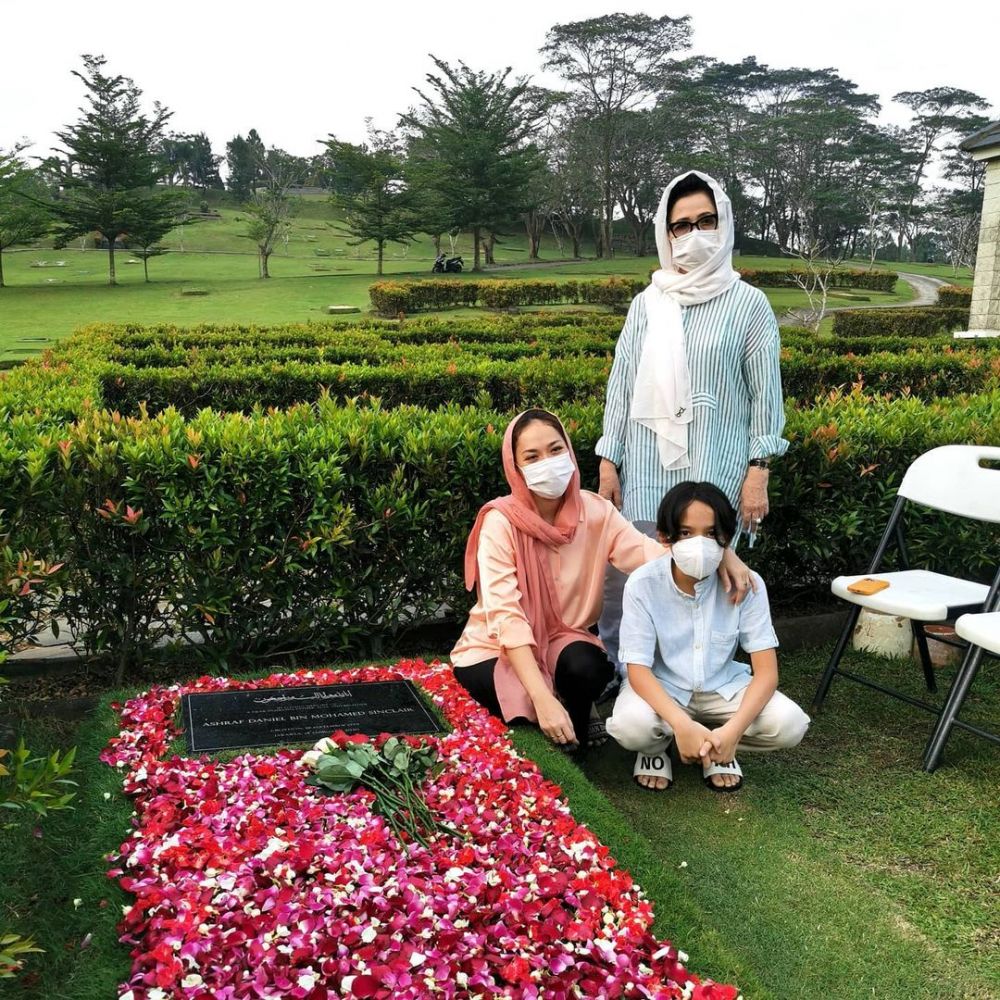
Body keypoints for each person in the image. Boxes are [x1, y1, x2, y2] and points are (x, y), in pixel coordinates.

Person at [451, 409, 751, 752]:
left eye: (555, 450)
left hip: (563, 639)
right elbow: (507, 617)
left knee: (587, 669)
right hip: (494, 647)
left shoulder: (595, 511)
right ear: (515, 468)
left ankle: (575, 719)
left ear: (569, 452)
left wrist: (718, 550)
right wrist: (541, 697)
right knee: (518, 697)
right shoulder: (500, 523)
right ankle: (553, 713)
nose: (547, 462)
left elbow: (649, 554)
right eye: (532, 457)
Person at [597, 170, 789, 676]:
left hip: (717, 469)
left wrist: (758, 471)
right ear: (666, 233)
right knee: (633, 577)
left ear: (724, 224)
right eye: (681, 226)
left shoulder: (749, 305)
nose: (693, 234)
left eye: (705, 221)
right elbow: (620, 385)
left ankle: (699, 680)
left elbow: (765, 396)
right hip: (646, 467)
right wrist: (608, 460)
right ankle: (625, 679)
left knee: (706, 577)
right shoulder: (647, 304)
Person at [605, 481, 809, 791]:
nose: (699, 544)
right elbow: (638, 671)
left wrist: (732, 733)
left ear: (727, 539)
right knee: (630, 727)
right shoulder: (643, 584)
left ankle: (715, 747)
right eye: (686, 533)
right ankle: (656, 749)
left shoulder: (747, 585)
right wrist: (681, 723)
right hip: (665, 686)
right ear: (665, 536)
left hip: (724, 689)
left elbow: (766, 674)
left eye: (712, 533)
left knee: (791, 724)